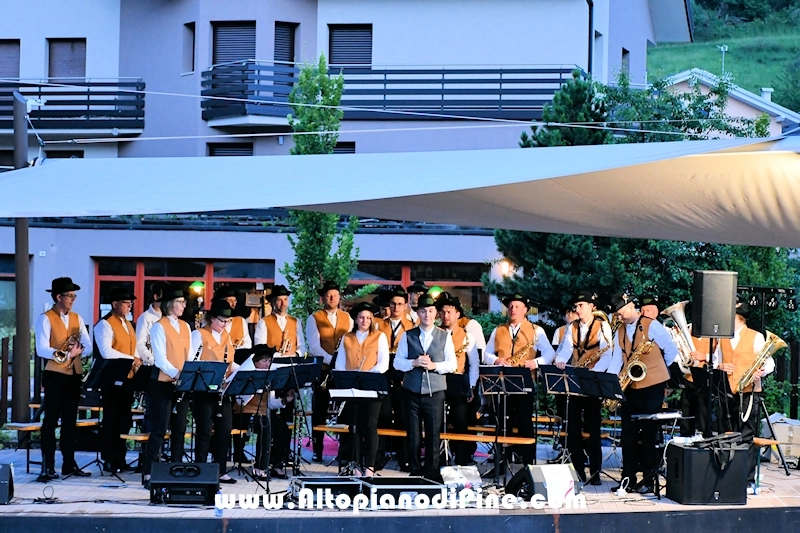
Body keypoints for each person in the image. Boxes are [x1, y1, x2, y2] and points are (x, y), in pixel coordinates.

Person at [608, 292, 678, 495]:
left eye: (621, 313)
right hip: (630, 386)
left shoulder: (652, 325)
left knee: (649, 435)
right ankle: (628, 479)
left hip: (652, 386)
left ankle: (648, 479)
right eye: (617, 315)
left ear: (631, 306)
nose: (619, 317)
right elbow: (617, 359)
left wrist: (657, 371)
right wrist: (613, 385)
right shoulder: (620, 330)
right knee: (627, 436)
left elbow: (671, 351)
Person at [485, 293, 555, 465]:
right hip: (502, 381)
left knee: (525, 422)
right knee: (503, 422)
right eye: (510, 306)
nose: (513, 309)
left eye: (517, 306)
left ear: (525, 310)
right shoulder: (498, 330)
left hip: (525, 381)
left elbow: (550, 353)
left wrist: (535, 362)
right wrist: (495, 360)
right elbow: (486, 353)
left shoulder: (536, 330)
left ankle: (527, 463)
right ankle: (503, 461)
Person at [34, 277, 93, 482]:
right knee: (50, 421)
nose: (72, 300)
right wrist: (67, 355)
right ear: (58, 297)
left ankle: (69, 463)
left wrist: (79, 351)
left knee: (70, 421)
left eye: (74, 296)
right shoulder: (45, 318)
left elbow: (87, 345)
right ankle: (48, 466)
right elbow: (42, 349)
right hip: (54, 375)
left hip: (73, 375)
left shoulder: (77, 318)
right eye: (69, 296)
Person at [393, 294, 456, 481]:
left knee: (433, 433)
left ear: (436, 313)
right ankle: (415, 470)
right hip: (411, 391)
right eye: (423, 311)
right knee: (412, 433)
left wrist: (434, 365)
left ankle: (431, 472)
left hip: (435, 392)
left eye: (430, 311)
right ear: (418, 313)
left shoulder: (445, 336)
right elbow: (397, 363)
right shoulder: (407, 335)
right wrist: (413, 362)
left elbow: (452, 364)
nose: (427, 314)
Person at [715, 301, 774, 492]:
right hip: (727, 391)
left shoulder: (756, 337)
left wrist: (761, 372)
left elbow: (770, 362)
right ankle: (727, 476)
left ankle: (746, 479)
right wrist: (721, 366)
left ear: (737, 318)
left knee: (746, 436)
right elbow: (715, 360)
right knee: (726, 433)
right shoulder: (722, 337)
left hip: (748, 392)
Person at [554, 291, 613, 485]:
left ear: (591, 307)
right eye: (576, 306)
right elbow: (565, 350)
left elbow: (607, 354)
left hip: (593, 381)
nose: (577, 309)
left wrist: (594, 372)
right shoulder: (571, 327)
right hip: (575, 381)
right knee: (573, 429)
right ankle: (578, 470)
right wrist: (561, 360)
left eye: (581, 305)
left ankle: (595, 473)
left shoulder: (603, 326)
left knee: (594, 429)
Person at [143, 287, 192, 487]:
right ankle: (149, 472)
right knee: (159, 429)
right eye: (180, 302)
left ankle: (176, 469)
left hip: (182, 383)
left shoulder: (185, 326)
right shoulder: (158, 327)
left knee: (179, 428)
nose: (183, 306)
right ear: (170, 304)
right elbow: (160, 359)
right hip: (163, 383)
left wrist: (189, 373)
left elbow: (189, 354)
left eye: (184, 302)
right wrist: (177, 374)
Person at [334, 301, 390, 475]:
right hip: (352, 389)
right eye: (361, 317)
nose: (365, 321)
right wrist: (348, 377)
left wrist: (367, 375)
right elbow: (340, 363)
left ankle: (370, 467)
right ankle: (356, 466)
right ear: (356, 319)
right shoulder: (347, 337)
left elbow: (383, 363)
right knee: (355, 427)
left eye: (368, 318)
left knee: (370, 427)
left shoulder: (380, 336)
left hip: (372, 388)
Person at [306, 280, 354, 462]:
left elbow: (351, 341)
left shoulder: (348, 318)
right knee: (320, 409)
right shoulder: (314, 318)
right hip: (323, 370)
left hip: (342, 371)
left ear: (339, 297)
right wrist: (332, 360)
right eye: (328, 295)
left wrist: (341, 362)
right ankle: (317, 449)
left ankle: (345, 450)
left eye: (335, 294)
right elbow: (314, 346)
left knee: (344, 409)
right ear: (323, 298)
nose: (332, 298)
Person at [190, 302, 237, 484]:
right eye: (221, 321)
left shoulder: (227, 336)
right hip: (204, 389)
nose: (224, 325)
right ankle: (200, 468)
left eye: (227, 321)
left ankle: (220, 469)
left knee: (224, 430)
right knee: (204, 431)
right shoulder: (199, 334)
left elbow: (230, 362)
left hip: (222, 390)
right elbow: (192, 360)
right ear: (211, 319)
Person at [94, 286, 140, 474]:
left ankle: (120, 458)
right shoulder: (105, 324)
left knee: (124, 420)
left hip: (127, 377)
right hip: (111, 379)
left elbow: (133, 347)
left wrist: (137, 361)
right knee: (111, 419)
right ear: (115, 304)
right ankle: (108, 458)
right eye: (126, 303)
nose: (129, 306)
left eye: (130, 304)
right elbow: (106, 351)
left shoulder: (128, 324)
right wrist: (131, 358)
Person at [233, 345, 293, 480]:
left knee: (282, 427)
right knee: (266, 427)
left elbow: (270, 403)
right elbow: (240, 401)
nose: (267, 364)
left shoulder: (269, 375)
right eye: (264, 361)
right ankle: (260, 468)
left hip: (262, 413)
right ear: (255, 362)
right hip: (244, 413)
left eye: (269, 361)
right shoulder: (245, 372)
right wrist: (255, 386)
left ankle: (277, 465)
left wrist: (285, 400)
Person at [437, 295, 480, 465]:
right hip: (438, 380)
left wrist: (471, 386)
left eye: (449, 312)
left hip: (458, 382)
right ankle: (438, 456)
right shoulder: (434, 333)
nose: (445, 315)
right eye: (443, 312)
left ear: (457, 314)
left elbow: (474, 364)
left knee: (460, 420)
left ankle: (462, 457)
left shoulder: (467, 336)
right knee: (437, 420)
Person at [377, 287, 416, 470]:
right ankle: (378, 457)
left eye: (400, 304)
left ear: (405, 306)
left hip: (403, 375)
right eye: (393, 304)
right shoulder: (378, 324)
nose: (396, 307)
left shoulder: (412, 327)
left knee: (403, 417)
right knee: (382, 415)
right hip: (383, 374)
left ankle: (405, 459)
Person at [253, 284, 305, 355]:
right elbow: (260, 348)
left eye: (285, 299)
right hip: (273, 361)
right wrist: (279, 355)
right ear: (273, 302)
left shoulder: (296, 321)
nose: (283, 303)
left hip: (293, 360)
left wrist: (296, 354)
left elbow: (302, 346)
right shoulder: (263, 322)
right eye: (279, 300)